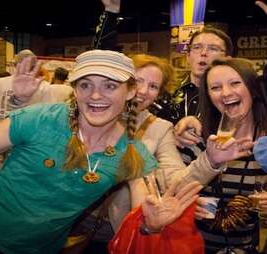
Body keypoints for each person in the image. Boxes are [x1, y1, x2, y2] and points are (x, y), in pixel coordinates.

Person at [0, 49, 200, 254]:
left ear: (130, 91)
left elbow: (144, 210)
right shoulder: (40, 119)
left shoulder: (133, 154)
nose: (95, 95)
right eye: (85, 85)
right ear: (75, 90)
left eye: (110, 86)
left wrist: (151, 225)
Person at [78, 54, 252, 253]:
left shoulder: (159, 128)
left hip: (116, 232)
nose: (143, 91)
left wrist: (210, 161)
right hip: (63, 223)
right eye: (138, 81)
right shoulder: (85, 112)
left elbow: (174, 179)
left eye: (153, 86)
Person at [192, 58, 267, 253]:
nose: (226, 93)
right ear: (208, 96)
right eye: (215, 87)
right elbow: (170, 191)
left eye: (235, 83)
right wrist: (187, 206)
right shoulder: (196, 138)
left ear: (252, 88)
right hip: (195, 247)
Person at [0, 49, 73, 122]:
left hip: (4, 127)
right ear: (36, 67)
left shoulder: (0, 82)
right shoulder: (45, 86)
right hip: (29, 129)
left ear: (14, 65)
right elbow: (48, 115)